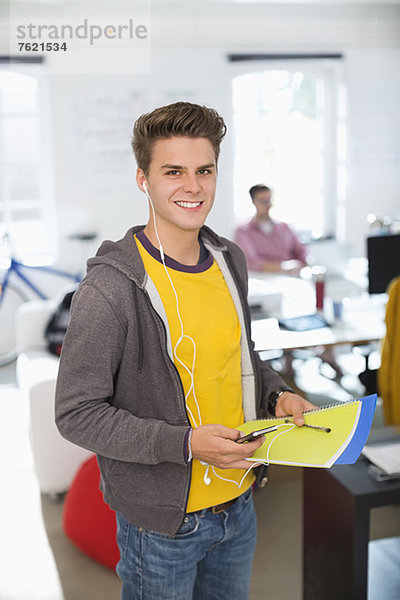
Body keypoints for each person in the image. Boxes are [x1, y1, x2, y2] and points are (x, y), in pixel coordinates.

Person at [55, 102, 315, 600]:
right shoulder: (110, 288)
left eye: (204, 170)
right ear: (143, 179)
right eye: (173, 171)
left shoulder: (229, 259)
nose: (192, 186)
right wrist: (185, 445)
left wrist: (276, 395)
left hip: (238, 505)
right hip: (161, 526)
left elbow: (241, 360)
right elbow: (76, 414)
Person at [235, 184, 307, 275]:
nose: (268, 205)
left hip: (291, 278)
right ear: (254, 202)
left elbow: (301, 252)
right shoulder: (243, 232)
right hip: (262, 280)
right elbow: (250, 262)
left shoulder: (284, 227)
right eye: (263, 201)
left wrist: (303, 264)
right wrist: (283, 267)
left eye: (269, 200)